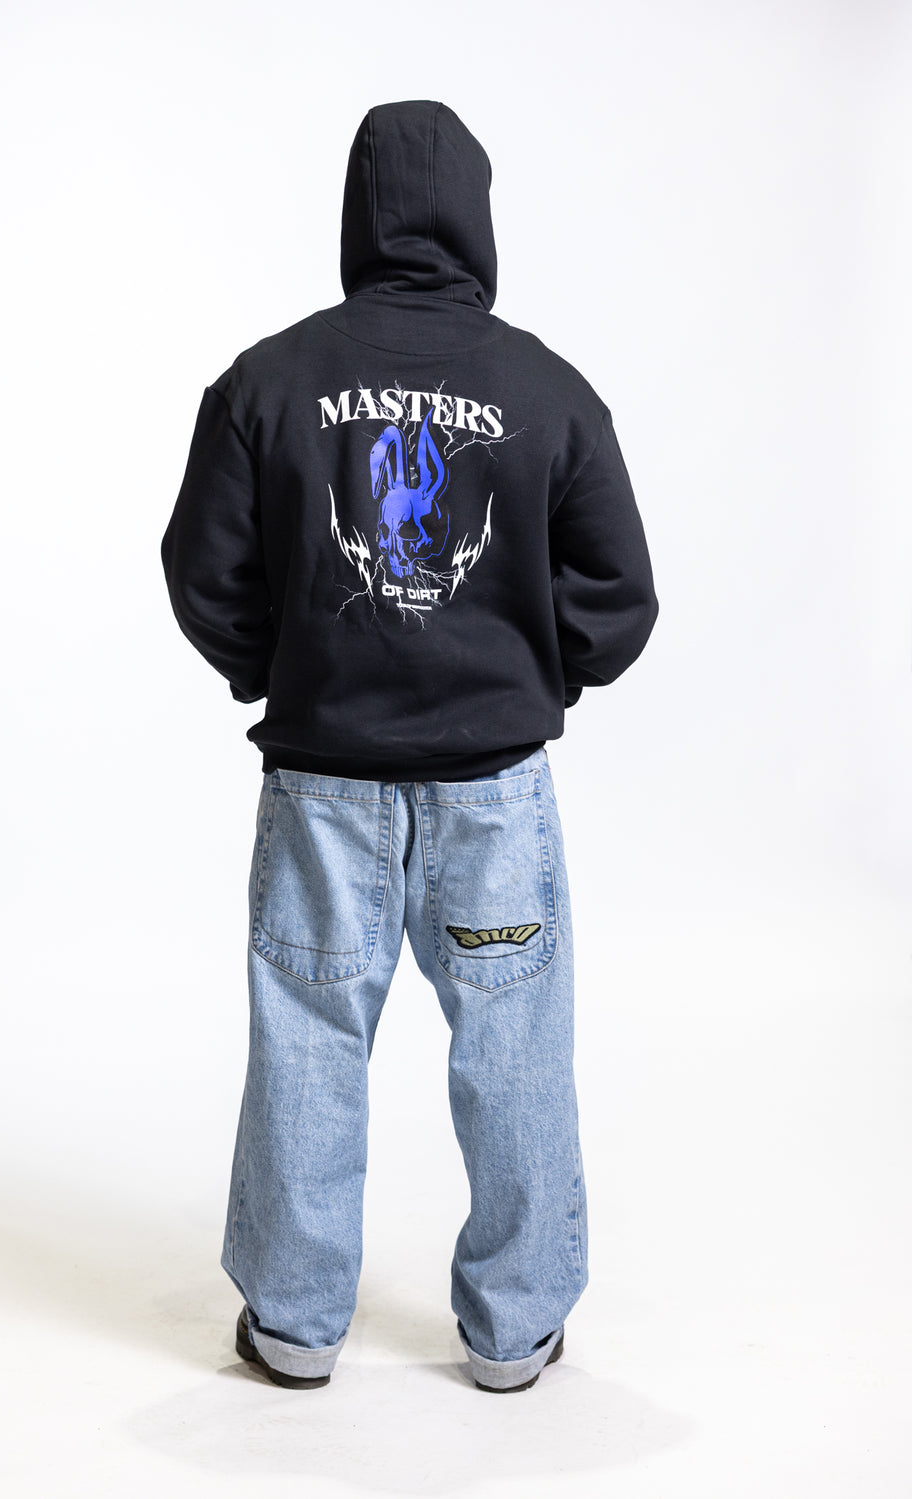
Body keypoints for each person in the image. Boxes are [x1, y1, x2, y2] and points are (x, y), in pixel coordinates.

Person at [160, 99, 659, 1394]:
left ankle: (294, 1326)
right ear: (477, 217)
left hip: (323, 786)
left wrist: (278, 669)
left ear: (356, 217)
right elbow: (620, 595)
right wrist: (523, 680)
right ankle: (514, 1332)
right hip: (494, 794)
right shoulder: (548, 390)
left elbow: (202, 574)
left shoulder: (267, 381)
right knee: (515, 1047)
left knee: (308, 1037)